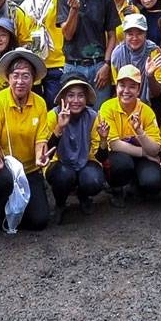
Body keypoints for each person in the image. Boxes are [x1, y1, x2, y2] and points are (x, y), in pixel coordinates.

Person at [0, 49, 51, 232]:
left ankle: (16, 209)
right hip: (0, 167)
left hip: (28, 170)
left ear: (33, 79)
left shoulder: (40, 103)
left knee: (39, 221)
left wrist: (40, 157)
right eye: (15, 75)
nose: (20, 81)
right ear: (8, 78)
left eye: (26, 76)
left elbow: (41, 140)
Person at [57, 0, 121, 105]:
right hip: (73, 66)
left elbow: (112, 35)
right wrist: (74, 11)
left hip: (98, 65)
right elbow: (68, 35)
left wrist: (106, 64)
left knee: (100, 117)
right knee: (72, 115)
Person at [43, 75, 109, 223]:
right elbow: (45, 153)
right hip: (58, 163)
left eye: (80, 96)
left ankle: (83, 195)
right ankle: (60, 203)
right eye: (70, 95)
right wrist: (60, 127)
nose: (76, 100)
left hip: (86, 161)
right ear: (63, 98)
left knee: (93, 180)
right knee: (64, 175)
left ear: (86, 99)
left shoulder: (93, 117)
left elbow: (101, 158)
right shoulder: (53, 116)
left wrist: (104, 139)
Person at [101, 64, 161, 206]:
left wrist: (140, 132)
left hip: (139, 155)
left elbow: (155, 149)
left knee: (153, 181)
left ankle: (136, 184)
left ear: (138, 89)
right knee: (122, 164)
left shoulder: (146, 111)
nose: (126, 91)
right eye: (122, 85)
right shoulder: (107, 108)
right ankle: (116, 189)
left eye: (132, 86)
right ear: (116, 87)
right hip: (120, 155)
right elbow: (114, 143)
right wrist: (145, 154)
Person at [20, 0, 64, 105]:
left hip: (56, 61)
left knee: (54, 104)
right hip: (34, 61)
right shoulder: (24, 6)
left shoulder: (58, 0)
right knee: (35, 103)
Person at [110, 13, 161, 104]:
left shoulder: (154, 52)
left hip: (149, 103)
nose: (135, 38)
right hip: (124, 101)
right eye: (130, 34)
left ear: (145, 34)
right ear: (124, 35)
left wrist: (150, 76)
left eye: (139, 33)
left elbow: (157, 92)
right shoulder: (117, 54)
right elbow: (117, 87)